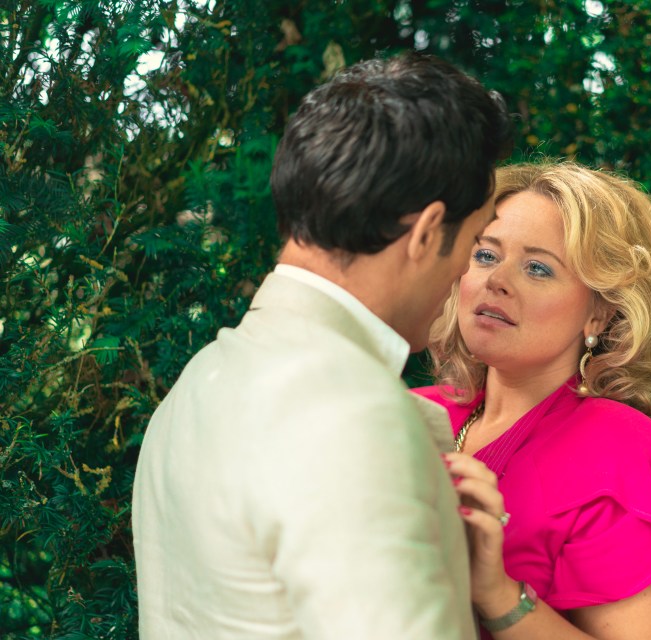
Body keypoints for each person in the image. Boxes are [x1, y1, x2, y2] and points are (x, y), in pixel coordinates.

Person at [132, 52, 512, 638]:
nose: (468, 270)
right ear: (429, 231)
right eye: (478, 239)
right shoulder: (351, 410)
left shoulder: (200, 380)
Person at [414, 161, 651, 640]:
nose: (496, 280)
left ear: (599, 315)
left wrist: (499, 595)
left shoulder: (616, 451)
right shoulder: (418, 412)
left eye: (537, 268)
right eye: (484, 256)